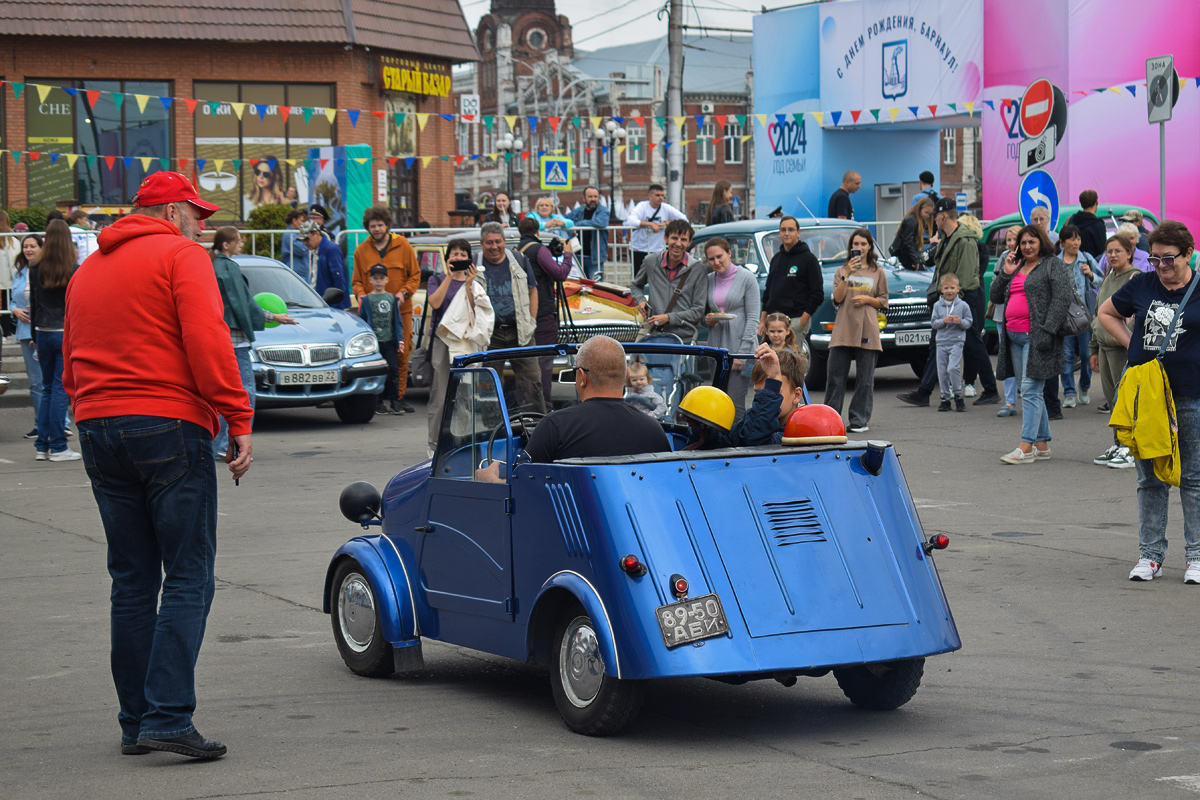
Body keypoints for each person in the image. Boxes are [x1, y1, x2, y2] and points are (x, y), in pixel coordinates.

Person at [63, 170, 251, 759]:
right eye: (197, 212)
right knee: (189, 573)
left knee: (132, 579)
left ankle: (135, 720)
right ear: (172, 213)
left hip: (98, 424)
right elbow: (208, 339)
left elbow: (70, 357)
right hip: (167, 423)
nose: (204, 223)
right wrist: (237, 417)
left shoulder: (88, 268)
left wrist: (89, 408)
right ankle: (168, 715)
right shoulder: (180, 255)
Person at [1096, 220, 1199, 583]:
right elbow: (1106, 313)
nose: (1161, 266)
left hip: (1191, 394)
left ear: (1188, 254)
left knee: (1193, 479)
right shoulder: (1141, 283)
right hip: (1147, 398)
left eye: (1168, 259)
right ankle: (1150, 555)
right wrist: (1132, 345)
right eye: (1154, 259)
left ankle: (1196, 557)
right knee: (1150, 479)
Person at [476, 336, 669, 481]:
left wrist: (490, 481)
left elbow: (525, 491)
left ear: (582, 377)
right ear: (626, 376)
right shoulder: (654, 430)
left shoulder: (555, 427)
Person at [898, 200, 1000, 407]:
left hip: (962, 299)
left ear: (944, 216)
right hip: (949, 298)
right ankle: (924, 391)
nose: (933, 219)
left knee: (973, 344)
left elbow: (965, 273)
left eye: (935, 215)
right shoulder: (947, 238)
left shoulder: (964, 240)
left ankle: (990, 389)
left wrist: (953, 300)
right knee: (937, 343)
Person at [990, 225, 1073, 465]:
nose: (1027, 246)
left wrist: (1047, 331)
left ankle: (1026, 446)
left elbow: (1061, 299)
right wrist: (1006, 273)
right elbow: (995, 296)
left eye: (1031, 242)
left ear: (1041, 242)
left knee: (1029, 389)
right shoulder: (1015, 266)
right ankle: (1042, 444)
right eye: (1023, 243)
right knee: (1031, 390)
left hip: (1036, 337)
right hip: (1014, 337)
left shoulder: (1051, 264)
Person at [210, 227, 295, 457]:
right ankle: (225, 446)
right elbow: (245, 305)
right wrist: (274, 317)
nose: (241, 243)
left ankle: (216, 445)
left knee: (223, 395)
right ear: (226, 245)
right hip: (236, 342)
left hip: (219, 339)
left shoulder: (212, 266)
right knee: (244, 394)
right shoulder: (228, 268)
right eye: (238, 240)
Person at [350, 207, 420, 412]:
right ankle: (377, 400)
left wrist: (403, 294)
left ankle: (398, 398)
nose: (377, 229)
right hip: (373, 315)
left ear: (387, 225)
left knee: (401, 352)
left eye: (380, 225)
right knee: (374, 356)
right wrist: (361, 296)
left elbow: (414, 276)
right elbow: (356, 282)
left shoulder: (403, 245)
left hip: (400, 311)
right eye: (373, 226)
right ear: (368, 228)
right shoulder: (361, 251)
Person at [425, 239, 490, 456]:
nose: (458, 257)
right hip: (443, 343)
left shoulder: (476, 281)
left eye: (463, 254)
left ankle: (463, 443)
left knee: (466, 394)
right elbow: (435, 303)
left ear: (469, 258)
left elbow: (475, 310)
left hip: (465, 343)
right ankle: (434, 445)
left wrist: (469, 284)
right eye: (454, 253)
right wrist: (450, 278)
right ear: (447, 258)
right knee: (441, 394)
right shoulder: (436, 279)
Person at [476, 221, 545, 414]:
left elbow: (533, 290)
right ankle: (492, 431)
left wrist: (531, 320)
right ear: (482, 244)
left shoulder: (519, 260)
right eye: (489, 242)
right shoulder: (475, 264)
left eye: (498, 241)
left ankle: (537, 427)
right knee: (487, 386)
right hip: (491, 336)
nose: (494, 246)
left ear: (504, 241)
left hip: (521, 333)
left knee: (533, 383)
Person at [824, 228, 888, 432]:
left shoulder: (878, 272)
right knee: (835, 377)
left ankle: (859, 420)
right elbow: (838, 298)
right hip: (844, 328)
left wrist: (868, 299)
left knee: (865, 379)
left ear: (870, 246)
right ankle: (830, 419)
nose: (859, 248)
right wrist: (847, 274)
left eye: (863, 244)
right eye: (855, 244)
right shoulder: (841, 271)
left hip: (868, 328)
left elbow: (884, 301)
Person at [688, 344, 807, 449]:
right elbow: (728, 444)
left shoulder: (800, 433)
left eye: (774, 391)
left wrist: (772, 383)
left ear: (796, 395)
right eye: (759, 393)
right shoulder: (751, 420)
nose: (765, 396)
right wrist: (703, 429)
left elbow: (754, 442)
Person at [29, 220, 80, 461]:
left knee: (47, 388)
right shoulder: (72, 267)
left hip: (42, 329)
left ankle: (42, 444)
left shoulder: (36, 267)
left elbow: (35, 303)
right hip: (64, 331)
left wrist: (34, 336)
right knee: (61, 390)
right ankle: (59, 446)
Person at [1090, 235, 1139, 469]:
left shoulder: (1135, 277)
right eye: (1109, 251)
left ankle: (1131, 448)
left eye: (1118, 251)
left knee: (1126, 399)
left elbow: (1137, 316)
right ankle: (1118, 443)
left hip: (1122, 349)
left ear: (1129, 252)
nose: (1113, 255)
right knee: (1112, 400)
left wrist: (1123, 335)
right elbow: (1098, 312)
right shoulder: (1108, 277)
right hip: (1104, 348)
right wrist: (1093, 347)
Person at [702, 237, 760, 418]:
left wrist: (742, 354)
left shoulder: (747, 277)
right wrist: (708, 321)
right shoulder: (709, 279)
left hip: (739, 350)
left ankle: (738, 443)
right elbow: (705, 313)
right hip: (716, 349)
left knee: (735, 403)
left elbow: (753, 318)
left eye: (720, 256)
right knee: (719, 400)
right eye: (711, 259)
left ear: (729, 253)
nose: (716, 262)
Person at [517, 216, 573, 405]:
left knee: (525, 362)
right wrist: (567, 255)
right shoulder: (538, 249)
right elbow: (560, 273)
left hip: (525, 313)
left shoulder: (516, 251)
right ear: (537, 232)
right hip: (543, 313)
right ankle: (544, 406)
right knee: (544, 362)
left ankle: (525, 405)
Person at [629, 219, 707, 343]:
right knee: (636, 359)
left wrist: (669, 318)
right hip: (654, 333)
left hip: (684, 337)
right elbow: (635, 286)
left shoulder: (698, 269)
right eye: (674, 238)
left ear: (689, 242)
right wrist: (641, 300)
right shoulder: (651, 261)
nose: (678, 243)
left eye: (683, 240)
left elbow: (698, 310)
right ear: (666, 238)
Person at [1056, 224, 1101, 409]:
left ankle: (1084, 386)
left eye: (1078, 238)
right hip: (1063, 315)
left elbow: (1102, 278)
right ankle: (1069, 392)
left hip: (1083, 315)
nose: (1076, 242)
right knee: (1066, 355)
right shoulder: (1056, 262)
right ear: (1062, 242)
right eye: (1072, 239)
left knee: (1085, 353)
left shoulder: (1087, 259)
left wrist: (1090, 275)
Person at [759, 216, 823, 345]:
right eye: (783, 230)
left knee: (790, 362)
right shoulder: (776, 259)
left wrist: (803, 320)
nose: (786, 233)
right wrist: (762, 321)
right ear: (779, 233)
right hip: (773, 322)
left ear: (798, 233)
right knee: (771, 361)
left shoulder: (808, 259)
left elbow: (817, 293)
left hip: (794, 320)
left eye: (790, 230)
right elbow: (768, 292)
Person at [358, 263, 406, 416]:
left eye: (381, 278)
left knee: (393, 369)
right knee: (377, 372)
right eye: (375, 278)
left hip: (389, 342)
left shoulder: (392, 299)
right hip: (375, 344)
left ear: (387, 280)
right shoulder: (366, 300)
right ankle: (378, 402)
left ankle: (395, 401)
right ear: (370, 280)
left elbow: (397, 321)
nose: (378, 281)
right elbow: (362, 321)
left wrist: (400, 340)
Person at [992, 225, 1024, 417]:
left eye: (1015, 240)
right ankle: (1010, 402)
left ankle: (1029, 397)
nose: (1011, 244)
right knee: (1006, 358)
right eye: (1009, 240)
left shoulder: (1028, 258)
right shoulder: (1004, 258)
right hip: (1002, 314)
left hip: (1022, 317)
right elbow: (996, 287)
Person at [930, 273, 973, 412]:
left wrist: (960, 322)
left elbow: (969, 322)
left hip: (957, 341)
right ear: (941, 290)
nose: (949, 291)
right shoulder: (937, 306)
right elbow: (934, 323)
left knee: (953, 368)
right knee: (942, 371)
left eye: (952, 288)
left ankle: (958, 396)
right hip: (941, 342)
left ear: (958, 289)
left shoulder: (963, 305)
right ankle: (945, 398)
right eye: (946, 288)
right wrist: (943, 321)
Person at [624, 183, 688, 273]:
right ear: (650, 196)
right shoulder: (642, 206)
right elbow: (630, 221)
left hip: (657, 250)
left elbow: (684, 219)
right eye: (657, 195)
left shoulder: (666, 208)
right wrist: (650, 224)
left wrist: (667, 223)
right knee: (639, 277)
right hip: (638, 249)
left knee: (657, 277)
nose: (661, 198)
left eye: (662, 195)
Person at [298, 220, 350, 308]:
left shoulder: (331, 249)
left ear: (317, 234)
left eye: (306, 239)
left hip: (331, 306)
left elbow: (339, 279)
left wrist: (338, 306)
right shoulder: (316, 250)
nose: (305, 243)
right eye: (303, 240)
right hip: (321, 304)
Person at [565, 187, 610, 280]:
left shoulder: (604, 210)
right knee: (577, 285)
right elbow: (565, 220)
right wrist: (571, 231)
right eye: (590, 196)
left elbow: (601, 222)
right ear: (584, 198)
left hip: (595, 258)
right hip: (577, 255)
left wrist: (578, 225)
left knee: (596, 287)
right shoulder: (579, 211)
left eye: (595, 196)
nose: (593, 199)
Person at [893, 197, 935, 270]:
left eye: (930, 213)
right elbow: (908, 242)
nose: (928, 215)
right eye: (926, 212)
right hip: (907, 256)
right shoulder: (912, 221)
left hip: (908, 255)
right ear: (919, 209)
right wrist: (915, 261)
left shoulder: (914, 219)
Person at [1065, 190, 1108, 259]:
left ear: (1081, 204)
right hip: (1092, 264)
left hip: (1072, 261)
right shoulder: (1097, 224)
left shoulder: (1071, 220)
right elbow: (1102, 249)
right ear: (1096, 202)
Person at [281, 209, 310, 280]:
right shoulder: (289, 234)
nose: (302, 223)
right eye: (301, 221)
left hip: (302, 271)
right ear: (294, 220)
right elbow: (301, 250)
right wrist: (307, 243)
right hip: (296, 272)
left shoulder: (297, 233)